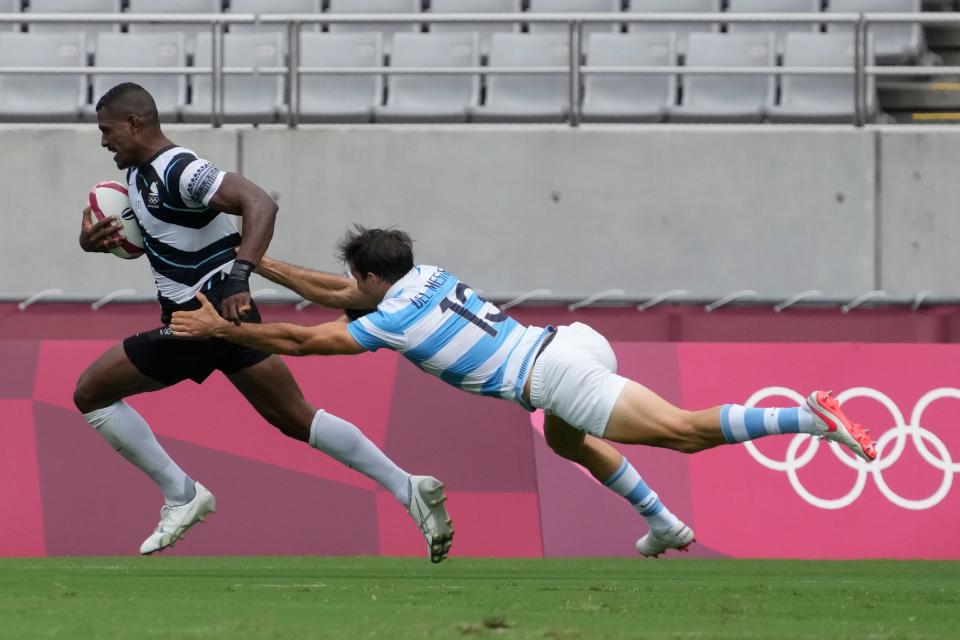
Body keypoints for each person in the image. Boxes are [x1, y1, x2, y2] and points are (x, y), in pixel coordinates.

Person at [171, 226, 878, 557]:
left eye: (359, 284)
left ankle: (809, 418)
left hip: (553, 373)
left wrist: (217, 329)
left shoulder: (389, 321)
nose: (351, 291)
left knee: (682, 432)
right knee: (568, 441)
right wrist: (255, 260)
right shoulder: (425, 278)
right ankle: (664, 525)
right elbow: (336, 292)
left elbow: (301, 339)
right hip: (566, 344)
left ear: (375, 280)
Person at [75, 84, 453, 562]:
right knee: (294, 416)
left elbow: (261, 204)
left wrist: (239, 276)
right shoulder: (140, 175)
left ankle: (181, 493)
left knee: (91, 393)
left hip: (200, 321)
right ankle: (408, 488)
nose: (104, 141)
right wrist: (96, 243)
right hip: (230, 316)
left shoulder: (178, 169)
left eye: (107, 130)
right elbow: (172, 242)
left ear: (134, 124)